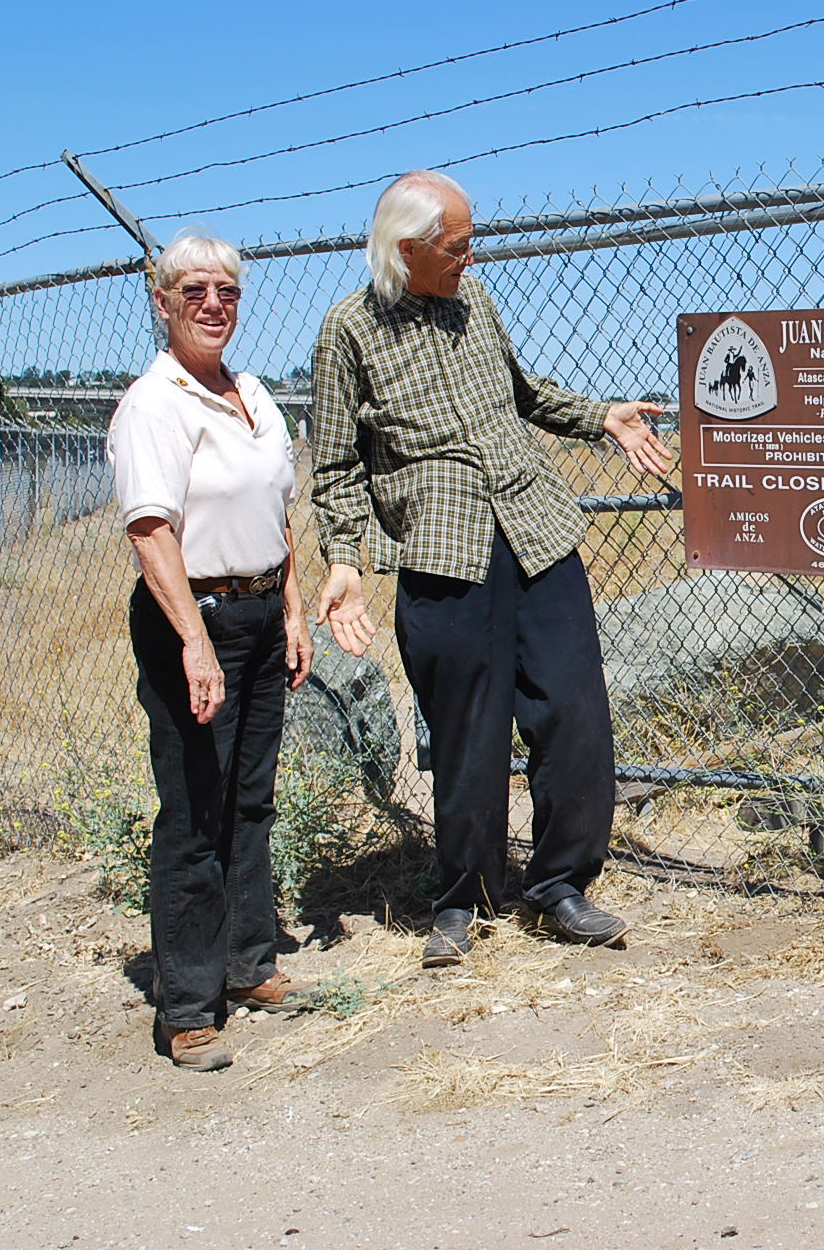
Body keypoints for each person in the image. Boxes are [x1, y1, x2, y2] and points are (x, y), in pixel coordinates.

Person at [309, 170, 675, 968]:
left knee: (572, 712)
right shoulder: (348, 331)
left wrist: (597, 417)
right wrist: (344, 557)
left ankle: (561, 885)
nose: (472, 258)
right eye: (459, 245)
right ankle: (462, 900)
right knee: (469, 734)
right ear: (408, 250)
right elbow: (335, 465)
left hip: (536, 531)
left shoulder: (477, 305)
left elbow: (521, 393)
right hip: (444, 553)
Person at [108, 231, 314, 1072]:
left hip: (261, 614)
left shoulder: (253, 393)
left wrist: (293, 612)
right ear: (162, 303)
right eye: (192, 290)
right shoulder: (154, 403)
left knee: (251, 799)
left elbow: (279, 519)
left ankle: (248, 961)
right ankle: (188, 1006)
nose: (212, 304)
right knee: (195, 809)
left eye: (225, 290)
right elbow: (151, 533)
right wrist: (195, 644)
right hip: (194, 619)